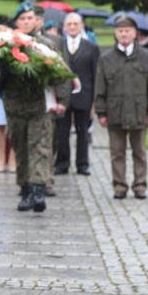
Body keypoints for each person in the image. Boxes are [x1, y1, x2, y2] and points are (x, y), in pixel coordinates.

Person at [0, 2, 69, 212]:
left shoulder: (48, 45)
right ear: (17, 22)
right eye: (23, 19)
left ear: (36, 20)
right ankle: (26, 189)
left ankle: (39, 190)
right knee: (20, 148)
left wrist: (63, 101)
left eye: (30, 18)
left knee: (40, 147)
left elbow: (62, 73)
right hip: (15, 105)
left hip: (40, 104)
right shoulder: (5, 45)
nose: (27, 22)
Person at [94, 14, 148, 199]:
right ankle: (119, 186)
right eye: (120, 31)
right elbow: (100, 87)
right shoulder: (106, 58)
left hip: (139, 111)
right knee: (117, 152)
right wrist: (101, 111)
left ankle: (140, 185)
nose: (124, 34)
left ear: (135, 34)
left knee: (139, 151)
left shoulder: (146, 57)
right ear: (115, 34)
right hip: (115, 111)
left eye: (127, 31)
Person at [54, 12, 100, 176]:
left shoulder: (91, 47)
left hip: (84, 95)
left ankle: (82, 164)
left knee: (83, 133)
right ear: (64, 27)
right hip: (63, 96)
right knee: (62, 132)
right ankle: (62, 162)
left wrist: (94, 101)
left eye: (75, 24)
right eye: (69, 24)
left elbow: (95, 74)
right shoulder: (58, 45)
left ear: (81, 26)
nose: (72, 27)